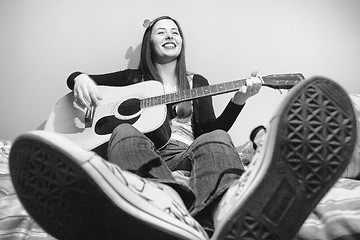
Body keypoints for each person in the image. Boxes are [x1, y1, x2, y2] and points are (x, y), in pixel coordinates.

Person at [9, 16, 357, 240]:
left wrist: (238, 101)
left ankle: (222, 210)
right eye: (161, 31)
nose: (169, 35)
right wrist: (80, 79)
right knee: (124, 132)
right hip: (143, 153)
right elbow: (78, 79)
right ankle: (164, 202)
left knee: (219, 138)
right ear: (150, 42)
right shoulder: (131, 79)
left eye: (175, 31)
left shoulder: (197, 82)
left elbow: (210, 130)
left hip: (187, 153)